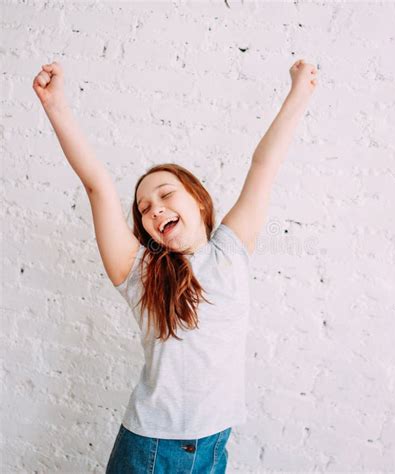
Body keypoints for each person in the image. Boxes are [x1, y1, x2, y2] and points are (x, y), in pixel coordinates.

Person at [32, 58, 317, 473]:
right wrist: (55, 106)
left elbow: (264, 165)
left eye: (166, 195)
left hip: (214, 444)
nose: (155, 209)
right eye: (145, 208)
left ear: (198, 199)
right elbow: (96, 185)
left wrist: (299, 93)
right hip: (150, 451)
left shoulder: (230, 253)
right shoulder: (140, 272)